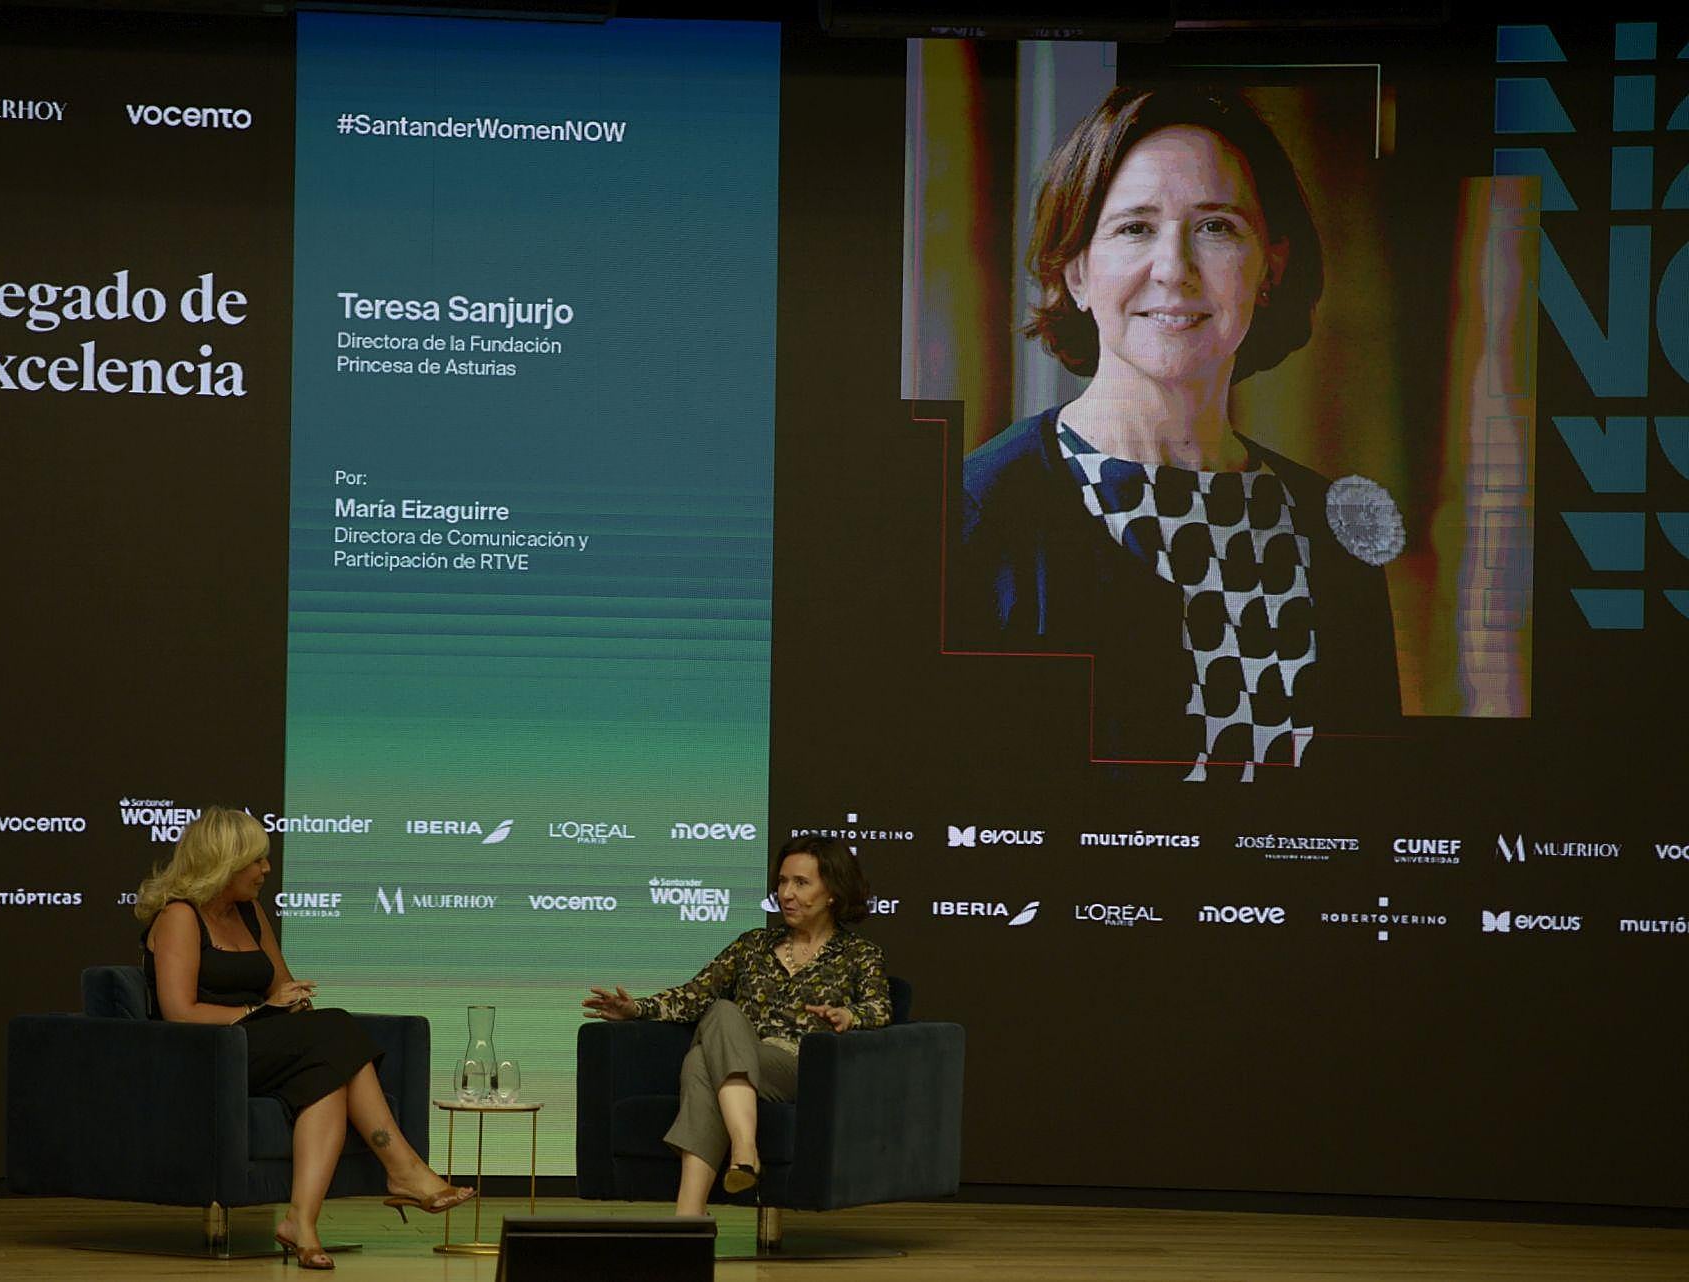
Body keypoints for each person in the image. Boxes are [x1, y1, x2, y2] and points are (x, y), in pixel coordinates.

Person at [956, 85, 1401, 782]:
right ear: (1077, 272)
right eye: (1134, 227)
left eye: (1216, 227)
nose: (1174, 268)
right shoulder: (975, 513)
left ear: (1269, 269)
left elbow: (1376, 808)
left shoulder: (1335, 533)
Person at [136, 806, 472, 1270]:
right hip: (205, 1056)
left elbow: (280, 986)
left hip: (259, 1048)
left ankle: (302, 1223)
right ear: (224, 861)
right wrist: (259, 1012)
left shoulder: (250, 913)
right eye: (256, 860)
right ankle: (403, 1168)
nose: (266, 870)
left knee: (326, 1073)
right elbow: (180, 1012)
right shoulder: (179, 916)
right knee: (334, 1029)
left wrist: (290, 1002)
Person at [582, 836, 890, 1216]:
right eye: (781, 882)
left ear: (832, 893)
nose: (786, 894)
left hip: (800, 1066)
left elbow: (880, 1008)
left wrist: (849, 1016)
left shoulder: (859, 955)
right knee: (709, 1040)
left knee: (704, 1056)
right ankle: (696, 1207)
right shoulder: (753, 945)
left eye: (800, 883)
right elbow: (695, 995)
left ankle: (738, 1156)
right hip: (743, 1058)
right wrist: (636, 1009)